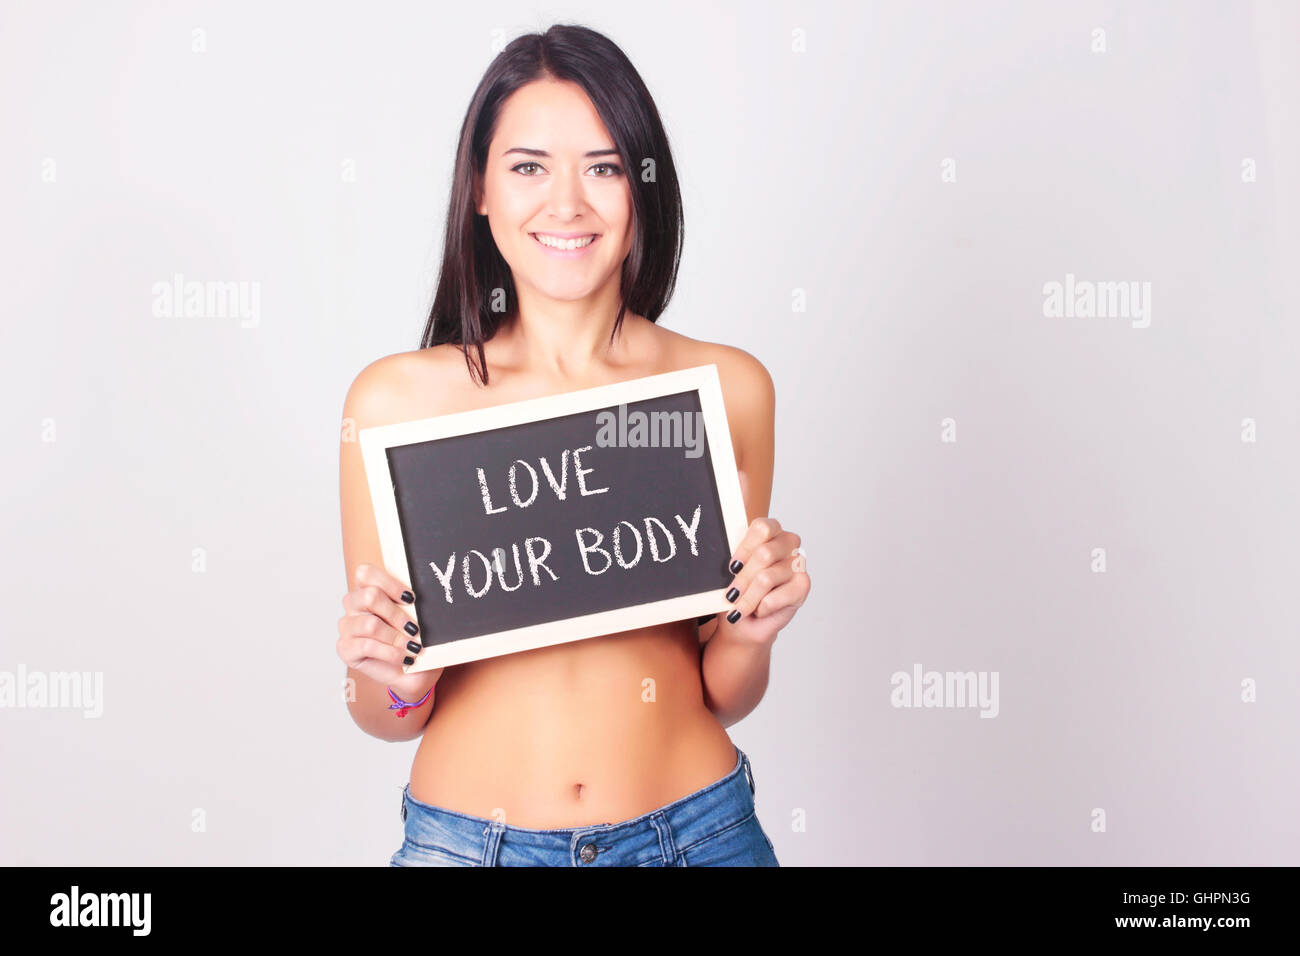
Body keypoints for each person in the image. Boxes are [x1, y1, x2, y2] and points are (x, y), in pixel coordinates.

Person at [336, 23, 811, 866]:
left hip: (698, 834)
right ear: (479, 189)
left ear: (643, 188)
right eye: (528, 168)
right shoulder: (396, 403)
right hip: (468, 846)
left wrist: (751, 632)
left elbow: (720, 693)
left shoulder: (726, 390)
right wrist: (400, 685)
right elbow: (383, 716)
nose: (567, 205)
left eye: (604, 168)